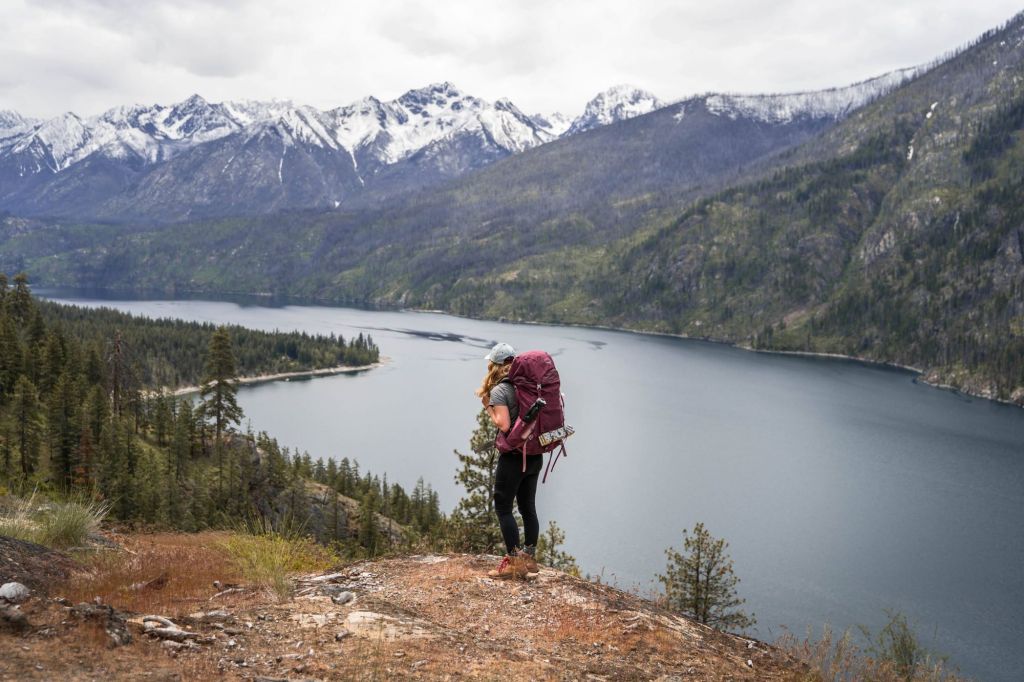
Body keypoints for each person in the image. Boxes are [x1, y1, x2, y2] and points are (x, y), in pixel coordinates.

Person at [476, 342, 541, 579]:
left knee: (503, 508)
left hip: (513, 458)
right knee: (528, 508)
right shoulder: (531, 385)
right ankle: (530, 559)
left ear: (496, 365)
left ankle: (514, 562)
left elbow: (503, 424)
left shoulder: (500, 391)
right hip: (534, 455)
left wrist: (488, 408)